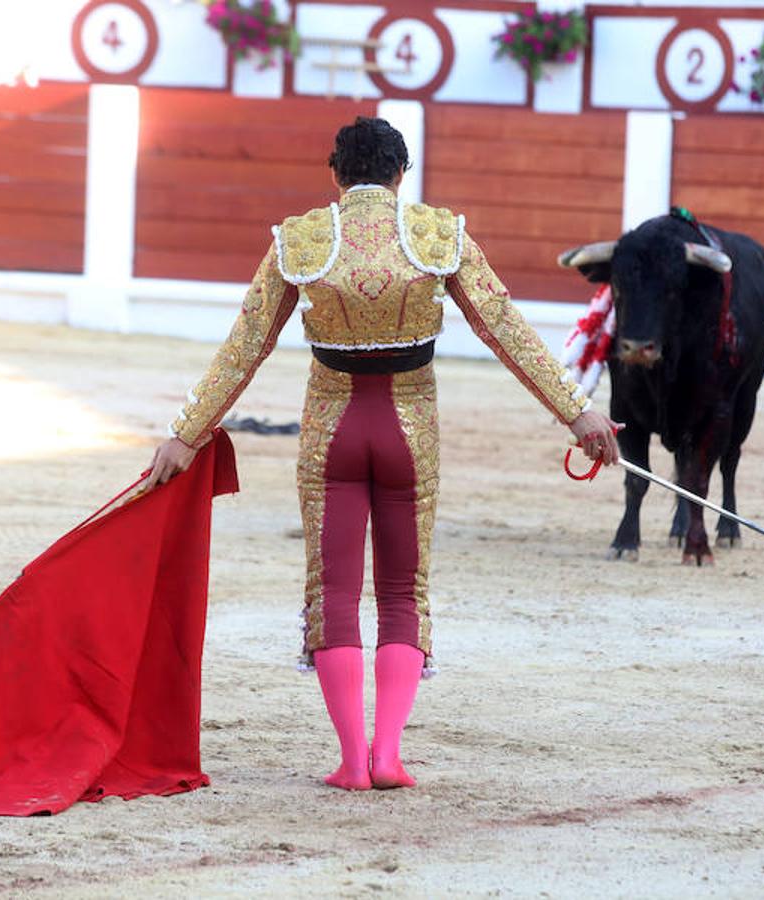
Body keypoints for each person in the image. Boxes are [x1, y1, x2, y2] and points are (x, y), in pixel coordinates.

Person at [144, 117, 621, 791]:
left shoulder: (302, 238)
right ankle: (388, 755)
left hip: (332, 429)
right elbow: (505, 329)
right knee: (402, 590)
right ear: (401, 175)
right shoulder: (435, 234)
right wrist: (579, 414)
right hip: (409, 430)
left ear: (335, 177)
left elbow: (244, 347)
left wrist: (187, 434)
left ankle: (349, 761)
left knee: (334, 592)